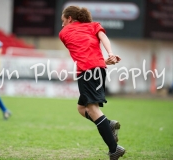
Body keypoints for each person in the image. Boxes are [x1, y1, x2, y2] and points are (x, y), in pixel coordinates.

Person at [59, 6, 125, 159]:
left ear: (69, 19)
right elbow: (102, 39)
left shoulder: (64, 33)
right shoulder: (94, 25)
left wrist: (103, 60)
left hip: (86, 73)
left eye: (63, 21)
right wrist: (110, 55)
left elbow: (82, 54)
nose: (62, 25)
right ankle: (107, 124)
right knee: (81, 108)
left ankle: (114, 149)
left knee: (93, 110)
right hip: (99, 69)